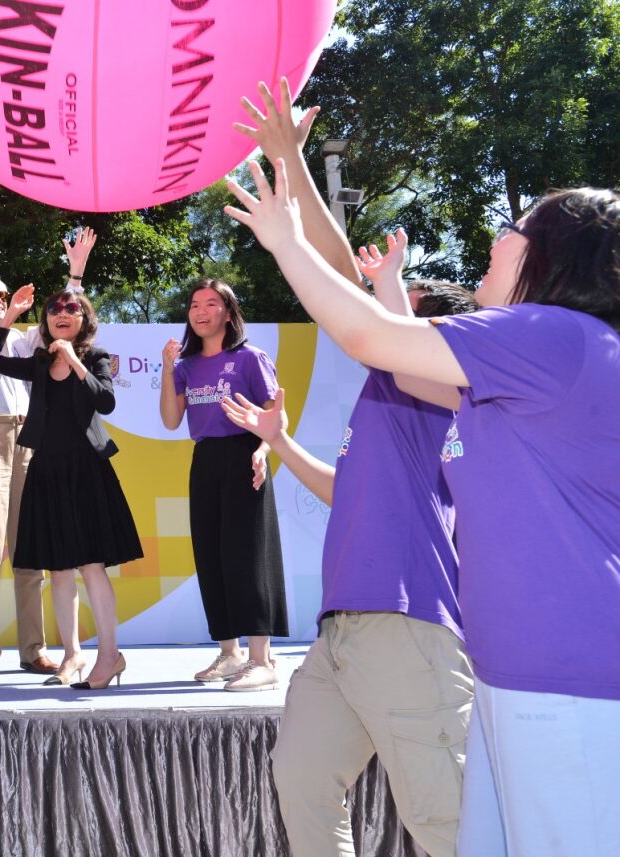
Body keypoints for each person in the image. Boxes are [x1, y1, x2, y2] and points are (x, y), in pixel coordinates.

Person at [224, 148, 620, 854]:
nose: (499, 237)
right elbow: (378, 333)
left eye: (517, 226)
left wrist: (284, 236)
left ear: (557, 255)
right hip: (516, 673)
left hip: (563, 680)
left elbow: (366, 330)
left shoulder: (551, 335)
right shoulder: (514, 373)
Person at [217, 81, 477, 856]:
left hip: (406, 629)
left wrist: (289, 163)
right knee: (300, 782)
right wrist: (279, 439)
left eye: (400, 299)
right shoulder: (385, 394)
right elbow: (343, 493)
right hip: (342, 633)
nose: (375, 297)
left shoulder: (434, 374)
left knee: (444, 825)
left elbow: (334, 269)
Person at [0, 171, 91, 679]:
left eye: (3, 295)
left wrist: (74, 277)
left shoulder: (26, 340)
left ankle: (34, 648)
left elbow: (66, 320)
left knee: (29, 547)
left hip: (26, 439)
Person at [0, 285, 142, 690]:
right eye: (54, 309)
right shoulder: (38, 362)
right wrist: (8, 316)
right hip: (47, 471)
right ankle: (72, 656)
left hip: (86, 470)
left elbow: (105, 402)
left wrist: (74, 362)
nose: (62, 312)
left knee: (91, 566)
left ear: (84, 319)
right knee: (58, 570)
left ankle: (110, 655)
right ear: (46, 321)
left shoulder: (96, 357)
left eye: (71, 308)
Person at [159, 278, 289, 692]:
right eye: (194, 304)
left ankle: (261, 659)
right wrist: (166, 369)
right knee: (212, 555)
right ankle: (230, 653)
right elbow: (169, 420)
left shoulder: (250, 358)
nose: (200, 311)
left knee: (248, 555)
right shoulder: (187, 367)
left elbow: (276, 418)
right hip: (206, 459)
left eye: (211, 304)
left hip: (245, 455)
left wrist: (262, 452)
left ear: (229, 314)